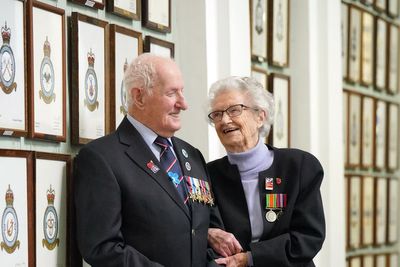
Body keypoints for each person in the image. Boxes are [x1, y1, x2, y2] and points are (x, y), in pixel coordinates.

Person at [74, 53, 219, 267]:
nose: (183, 104)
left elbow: (207, 233)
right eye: (172, 93)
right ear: (139, 97)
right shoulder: (101, 158)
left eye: (182, 92)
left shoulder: (193, 155)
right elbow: (102, 247)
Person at [206, 76, 325, 267]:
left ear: (260, 116)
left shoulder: (298, 166)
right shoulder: (208, 175)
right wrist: (208, 233)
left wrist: (250, 259)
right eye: (217, 114)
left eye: (234, 110)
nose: (225, 120)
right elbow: (199, 231)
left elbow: (309, 237)